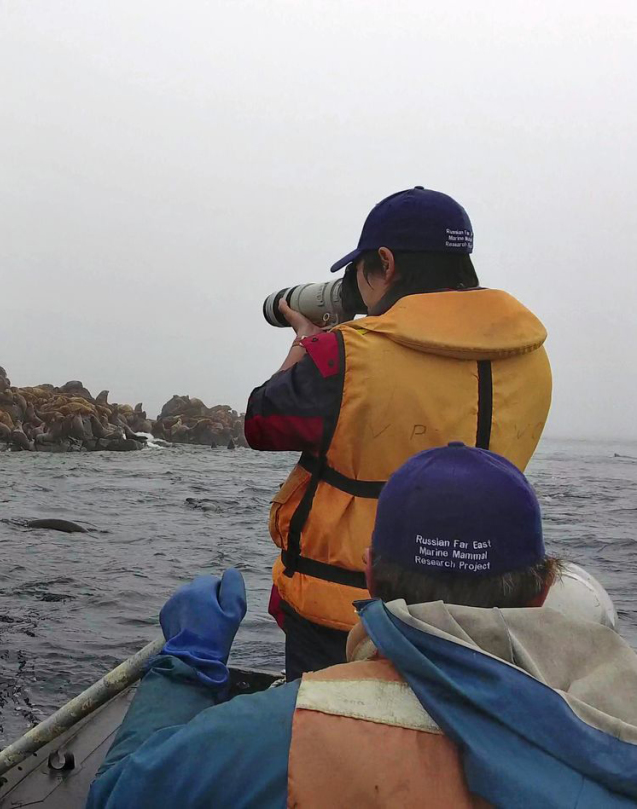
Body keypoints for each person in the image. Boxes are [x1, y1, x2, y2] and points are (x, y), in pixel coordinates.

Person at [88, 443, 637, 808]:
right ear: (545, 592)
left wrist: (187, 665)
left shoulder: (283, 731)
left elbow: (118, 795)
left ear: (370, 576)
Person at [245, 187, 553, 679]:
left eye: (359, 272)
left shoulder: (346, 354)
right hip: (486, 607)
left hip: (347, 607)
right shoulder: (530, 355)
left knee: (332, 740)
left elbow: (261, 422)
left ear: (385, 264)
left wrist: (307, 338)